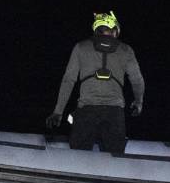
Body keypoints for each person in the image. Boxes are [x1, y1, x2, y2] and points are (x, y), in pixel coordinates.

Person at [46, 11, 145, 153]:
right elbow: (137, 80)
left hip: (86, 111)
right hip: (114, 113)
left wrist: (58, 112)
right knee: (115, 160)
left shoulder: (81, 47)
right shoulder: (126, 50)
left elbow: (68, 80)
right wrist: (138, 102)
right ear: (115, 30)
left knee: (79, 158)